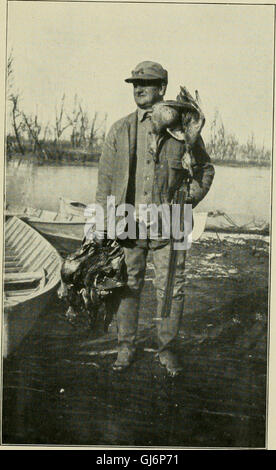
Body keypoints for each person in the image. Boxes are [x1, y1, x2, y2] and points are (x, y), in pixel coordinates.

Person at [95, 61, 215, 376]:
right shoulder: (120, 130)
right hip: (127, 221)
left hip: (170, 222)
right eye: (135, 82)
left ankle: (167, 350)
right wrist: (105, 223)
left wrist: (190, 198)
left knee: (171, 289)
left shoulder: (182, 130)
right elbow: (106, 182)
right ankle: (125, 346)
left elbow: (205, 170)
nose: (138, 87)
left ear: (162, 87)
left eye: (146, 82)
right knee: (126, 284)